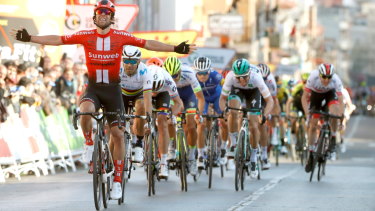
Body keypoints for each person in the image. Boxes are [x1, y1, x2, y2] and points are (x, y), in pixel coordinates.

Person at [11, 0, 195, 200]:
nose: (103, 14)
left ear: (112, 17)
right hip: (94, 88)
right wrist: (30, 38)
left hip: (114, 91)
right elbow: (58, 39)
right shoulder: (85, 36)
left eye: (108, 12)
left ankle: (117, 181)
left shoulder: (120, 36)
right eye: (100, 12)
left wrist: (175, 48)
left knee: (117, 134)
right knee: (85, 111)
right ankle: (89, 143)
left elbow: (147, 44)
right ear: (95, 16)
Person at [219, 59, 274, 178]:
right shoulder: (230, 77)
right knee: (233, 111)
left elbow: (270, 101)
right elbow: (222, 99)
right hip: (237, 91)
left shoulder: (257, 77)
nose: (242, 80)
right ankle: (233, 144)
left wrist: (264, 115)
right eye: (238, 78)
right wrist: (225, 111)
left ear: (249, 73)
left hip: (253, 92)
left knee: (254, 126)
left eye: (244, 77)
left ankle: (254, 158)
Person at [164, 56, 205, 176]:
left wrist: (199, 114)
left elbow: (200, 98)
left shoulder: (189, 73)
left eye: (175, 76)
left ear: (180, 72)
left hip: (188, 95)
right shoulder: (163, 75)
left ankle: (192, 157)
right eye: (170, 77)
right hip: (172, 94)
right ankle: (171, 147)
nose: (173, 79)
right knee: (170, 119)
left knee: (192, 125)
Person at [302, 63, 344, 173]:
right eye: (324, 77)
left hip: (330, 94)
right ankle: (311, 153)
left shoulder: (336, 80)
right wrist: (307, 114)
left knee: (334, 112)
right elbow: (304, 97)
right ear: (319, 75)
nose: (326, 80)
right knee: (313, 125)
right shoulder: (313, 77)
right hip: (316, 96)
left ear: (332, 76)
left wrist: (340, 115)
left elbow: (341, 100)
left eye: (329, 77)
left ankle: (333, 138)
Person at [148, 65, 184, 178]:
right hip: (144, 91)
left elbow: (178, 103)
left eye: (156, 90)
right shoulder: (141, 76)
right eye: (153, 91)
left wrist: (171, 115)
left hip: (163, 94)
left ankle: (163, 162)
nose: (154, 93)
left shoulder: (168, 81)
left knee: (163, 121)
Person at [193, 57, 228, 168]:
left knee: (224, 120)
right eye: (199, 73)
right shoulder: (193, 78)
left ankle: (223, 147)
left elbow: (227, 87)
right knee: (201, 124)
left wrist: (226, 104)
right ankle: (201, 154)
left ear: (209, 71)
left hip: (217, 96)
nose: (202, 76)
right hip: (203, 99)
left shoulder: (216, 76)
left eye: (205, 73)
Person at [257, 63, 279, 170]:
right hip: (253, 93)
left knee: (262, 124)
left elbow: (273, 100)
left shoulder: (271, 81)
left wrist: (268, 113)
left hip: (265, 97)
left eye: (264, 78)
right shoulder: (253, 76)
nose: (262, 80)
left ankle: (264, 155)